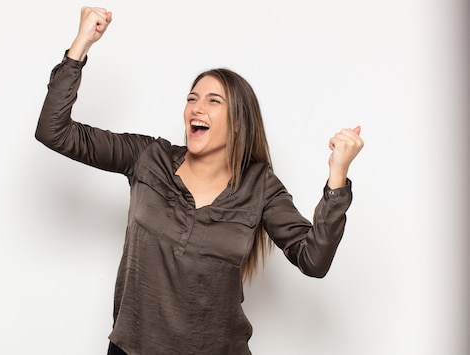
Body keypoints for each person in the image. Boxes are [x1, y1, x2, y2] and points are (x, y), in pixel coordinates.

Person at [35, 7, 364, 355]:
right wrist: (81, 44)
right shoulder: (149, 157)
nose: (196, 107)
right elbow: (54, 132)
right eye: (192, 98)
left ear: (238, 122)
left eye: (212, 101)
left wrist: (337, 175)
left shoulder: (260, 186)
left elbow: (313, 260)